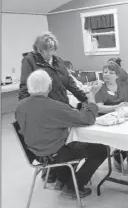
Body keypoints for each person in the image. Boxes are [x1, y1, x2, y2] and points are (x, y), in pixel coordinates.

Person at [15, 70, 107, 197]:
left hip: (36, 153)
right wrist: (91, 100)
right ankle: (72, 186)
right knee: (101, 149)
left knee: (73, 143)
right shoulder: (53, 106)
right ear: (49, 86)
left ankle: (62, 179)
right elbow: (87, 119)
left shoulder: (20, 106)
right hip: (55, 153)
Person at [19, 31, 88, 183]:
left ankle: (56, 173)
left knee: (68, 138)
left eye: (52, 49)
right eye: (46, 49)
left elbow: (69, 83)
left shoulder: (57, 60)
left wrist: (85, 99)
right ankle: (59, 174)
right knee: (56, 142)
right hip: (46, 110)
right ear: (38, 48)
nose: (49, 53)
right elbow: (25, 87)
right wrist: (31, 110)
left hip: (60, 106)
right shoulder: (29, 61)